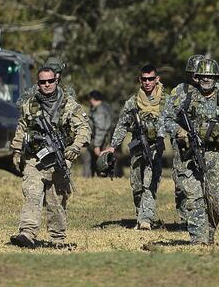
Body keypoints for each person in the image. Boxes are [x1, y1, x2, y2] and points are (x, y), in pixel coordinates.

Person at [162, 59, 219, 245]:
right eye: (203, 76)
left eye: (210, 76)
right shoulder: (185, 96)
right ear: (197, 77)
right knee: (193, 198)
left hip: (216, 156)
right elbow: (166, 119)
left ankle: (209, 233)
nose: (206, 79)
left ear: (216, 77)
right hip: (189, 154)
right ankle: (198, 241)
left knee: (216, 199)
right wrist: (179, 131)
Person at [9, 66, 91, 248]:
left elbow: (84, 129)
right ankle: (27, 234)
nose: (46, 85)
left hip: (59, 159)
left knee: (56, 201)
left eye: (50, 81)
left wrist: (75, 147)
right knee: (32, 194)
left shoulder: (69, 105)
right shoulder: (30, 104)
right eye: (42, 82)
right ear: (38, 84)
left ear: (57, 81)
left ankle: (57, 238)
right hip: (34, 159)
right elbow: (22, 126)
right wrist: (16, 149)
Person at [104, 64, 167, 229]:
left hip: (155, 147)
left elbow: (174, 122)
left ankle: (146, 219)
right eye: (144, 79)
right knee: (137, 185)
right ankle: (141, 215)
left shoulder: (166, 101)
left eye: (151, 79)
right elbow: (122, 125)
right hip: (137, 146)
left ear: (157, 79)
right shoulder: (133, 102)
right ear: (140, 80)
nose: (147, 82)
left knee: (150, 182)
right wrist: (113, 146)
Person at [158, 53, 204, 227]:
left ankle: (202, 220)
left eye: (199, 73)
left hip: (206, 144)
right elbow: (166, 118)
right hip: (183, 145)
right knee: (181, 182)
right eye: (193, 73)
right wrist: (179, 131)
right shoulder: (179, 91)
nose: (197, 77)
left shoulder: (215, 91)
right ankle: (184, 220)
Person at [85, 90, 114, 178]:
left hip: (101, 141)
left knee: (98, 162)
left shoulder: (99, 111)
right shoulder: (105, 107)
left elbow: (100, 129)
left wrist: (97, 145)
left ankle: (93, 179)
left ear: (92, 99)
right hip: (106, 140)